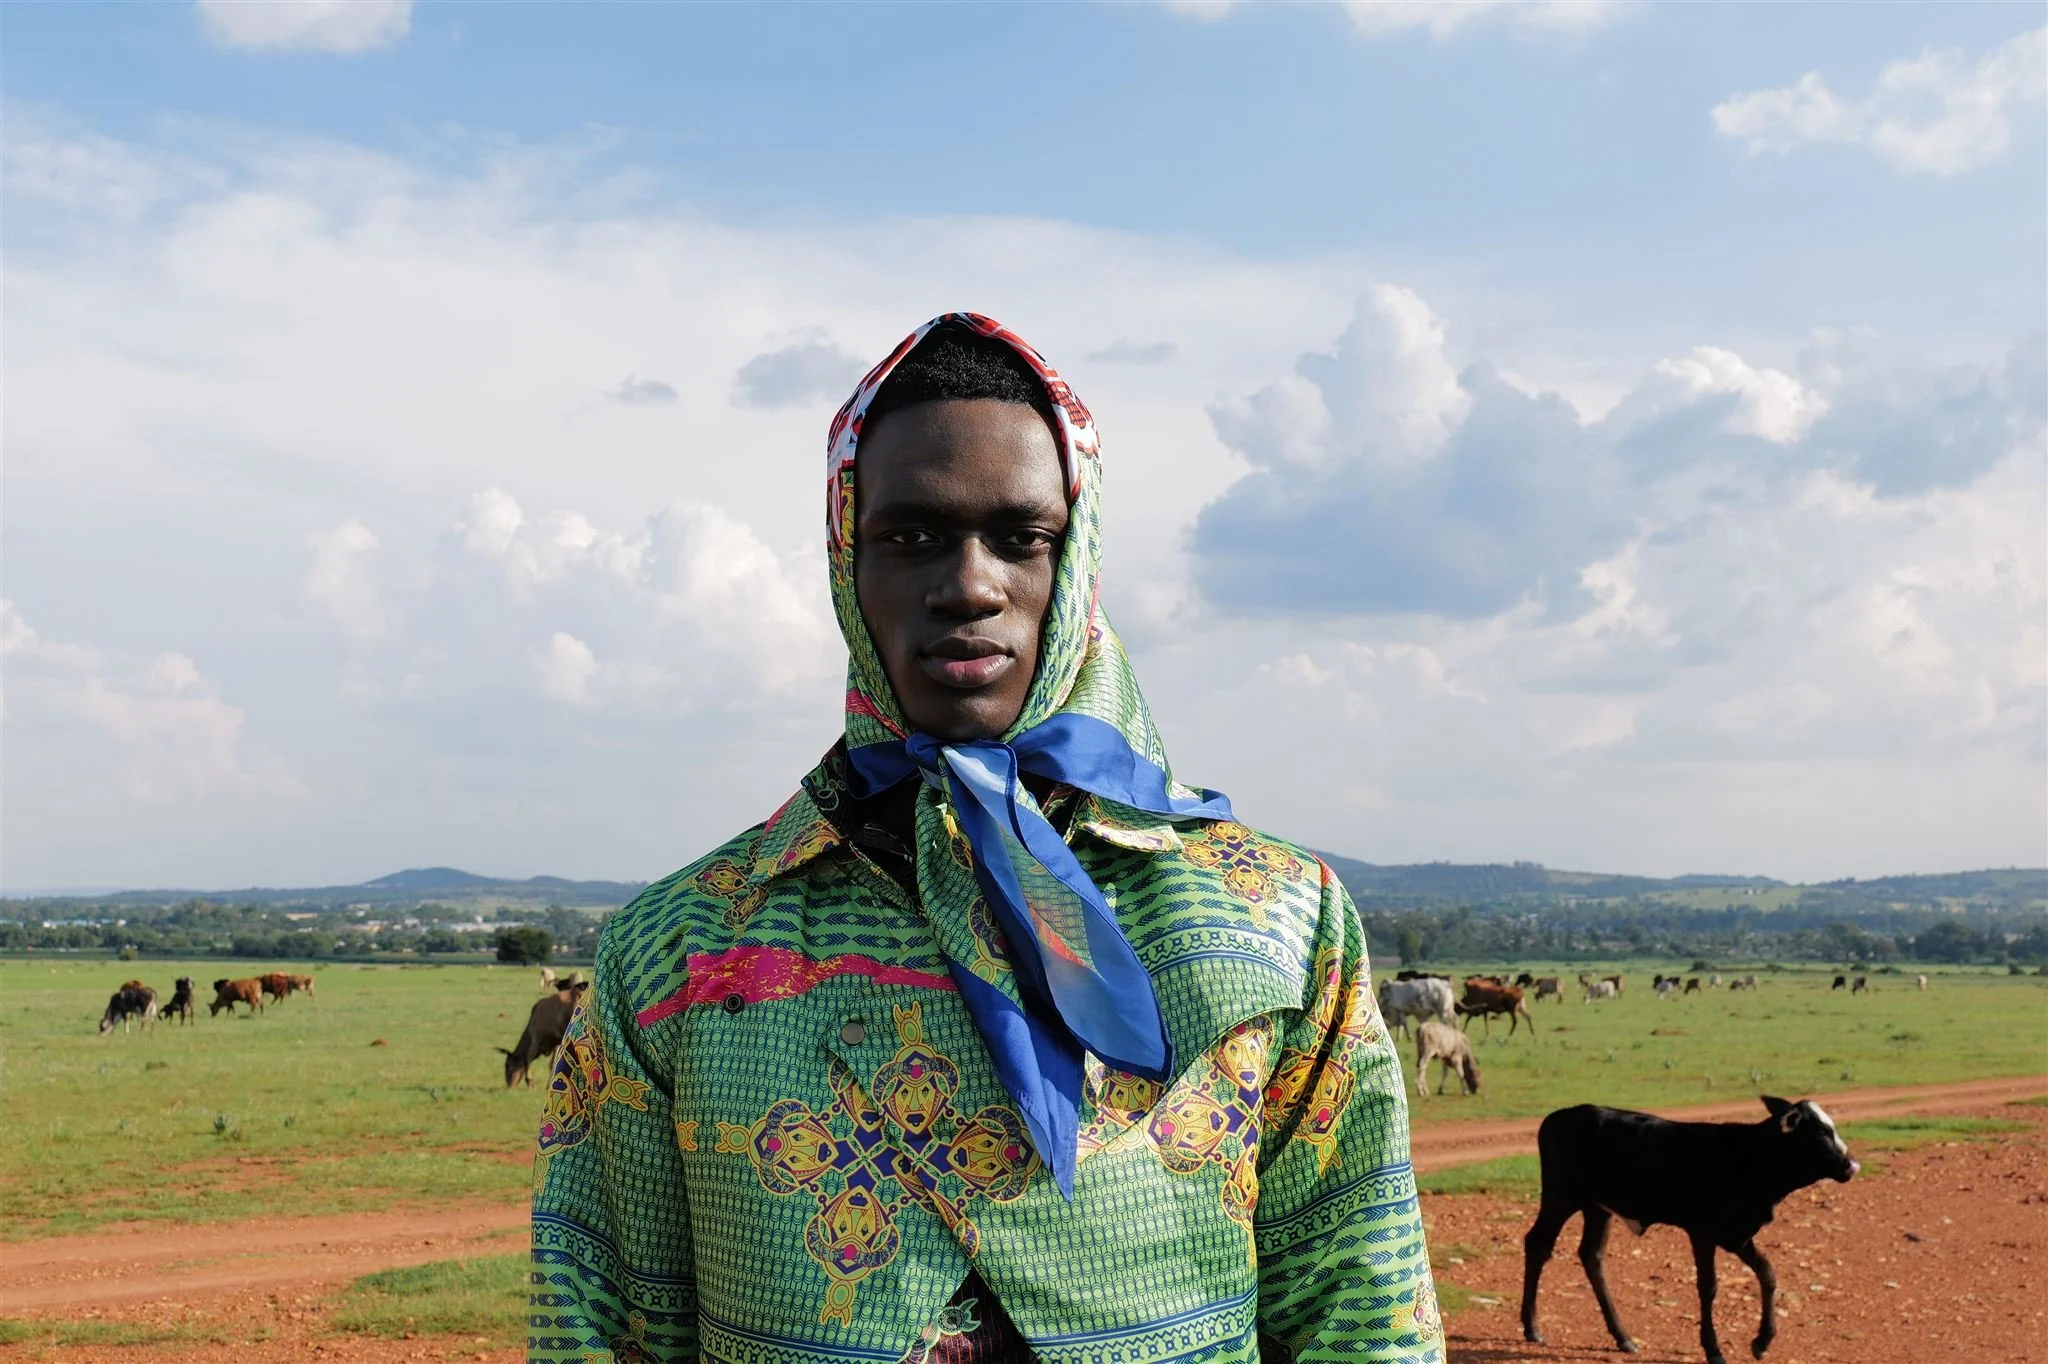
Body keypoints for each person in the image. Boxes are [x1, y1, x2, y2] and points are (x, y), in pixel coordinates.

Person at [529, 314, 1440, 1363]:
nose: (969, 584)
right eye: (910, 536)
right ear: (846, 562)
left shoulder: (1278, 917)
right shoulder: (675, 950)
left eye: (1020, 537)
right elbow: (601, 1328)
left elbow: (1363, 1315)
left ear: (1077, 558)